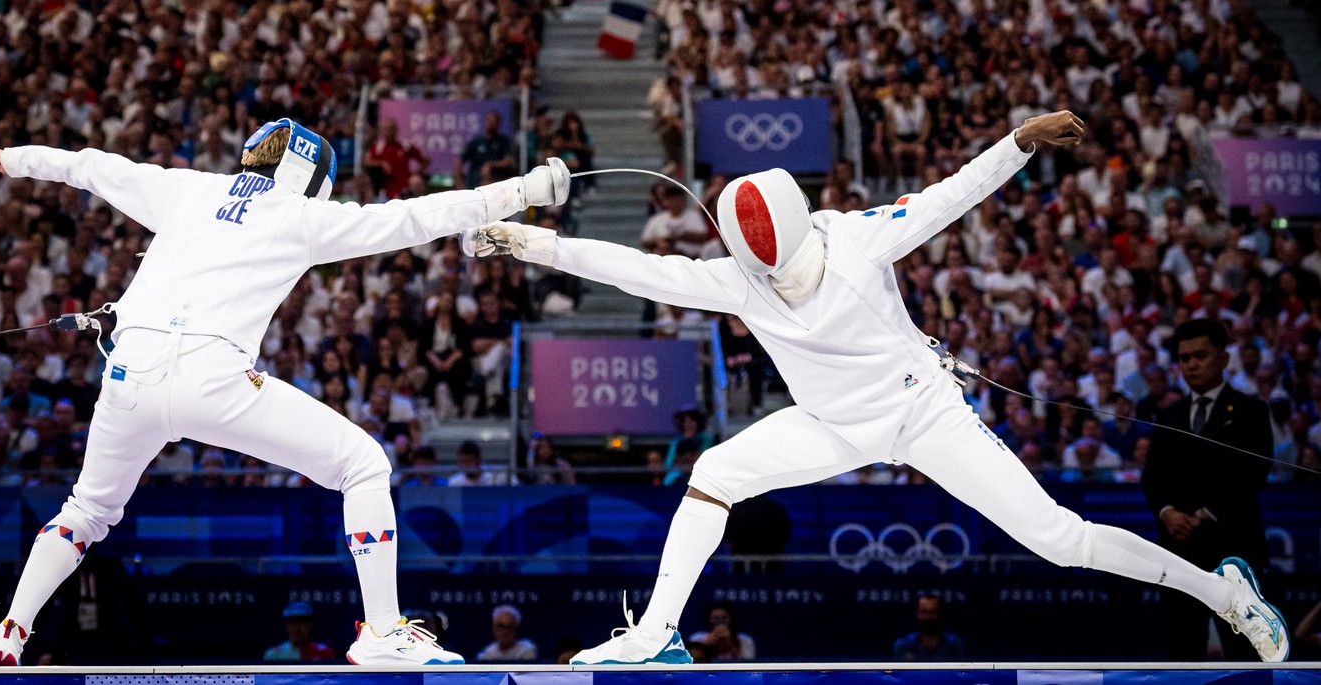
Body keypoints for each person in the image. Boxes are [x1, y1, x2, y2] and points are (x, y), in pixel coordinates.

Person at [466, 111, 1289, 665]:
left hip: (925, 412)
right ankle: (655, 633)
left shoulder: (862, 238)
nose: (779, 282)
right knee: (714, 473)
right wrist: (525, 243)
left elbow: (953, 194)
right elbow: (635, 266)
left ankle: (1224, 590)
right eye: (767, 274)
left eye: (785, 269)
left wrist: (1019, 140)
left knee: (1059, 538)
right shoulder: (738, 277)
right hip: (830, 423)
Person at [0, 123, 569, 666]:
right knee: (362, 466)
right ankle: (383, 632)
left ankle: (11, 633)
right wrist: (527, 189)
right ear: (313, 179)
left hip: (129, 378)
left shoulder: (189, 189)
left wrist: (13, 158)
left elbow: (91, 165)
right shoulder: (303, 218)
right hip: (214, 382)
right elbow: (418, 216)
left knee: (86, 511)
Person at [1142, 318, 1275, 661]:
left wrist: (1206, 513)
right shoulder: (1169, 414)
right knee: (1182, 652)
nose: (1191, 365)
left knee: (1243, 655)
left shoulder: (1251, 410)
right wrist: (1167, 513)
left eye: (1200, 355)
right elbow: (1151, 477)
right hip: (1178, 552)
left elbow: (1254, 472)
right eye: (1184, 358)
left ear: (1224, 358)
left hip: (1235, 550)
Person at [891, 594, 965, 660]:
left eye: (932, 612)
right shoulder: (903, 645)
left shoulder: (954, 644)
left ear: (940, 614)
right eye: (924, 612)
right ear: (917, 614)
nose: (928, 617)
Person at [264, 601, 336, 662]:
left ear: (310, 625)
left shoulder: (324, 652)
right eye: (292, 622)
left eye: (302, 622)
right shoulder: (274, 654)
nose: (297, 627)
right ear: (287, 626)